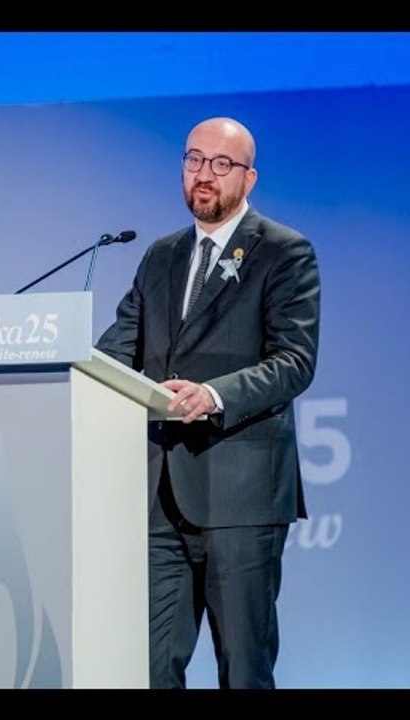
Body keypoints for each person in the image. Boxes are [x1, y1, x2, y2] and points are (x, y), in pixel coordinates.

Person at [95, 117, 321, 689]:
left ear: (249, 179)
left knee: (243, 670)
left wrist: (214, 395)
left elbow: (294, 361)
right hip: (161, 499)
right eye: (194, 160)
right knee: (145, 670)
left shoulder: (283, 252)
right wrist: (65, 365)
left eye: (221, 165)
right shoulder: (160, 256)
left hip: (241, 497)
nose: (204, 175)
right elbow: (117, 352)